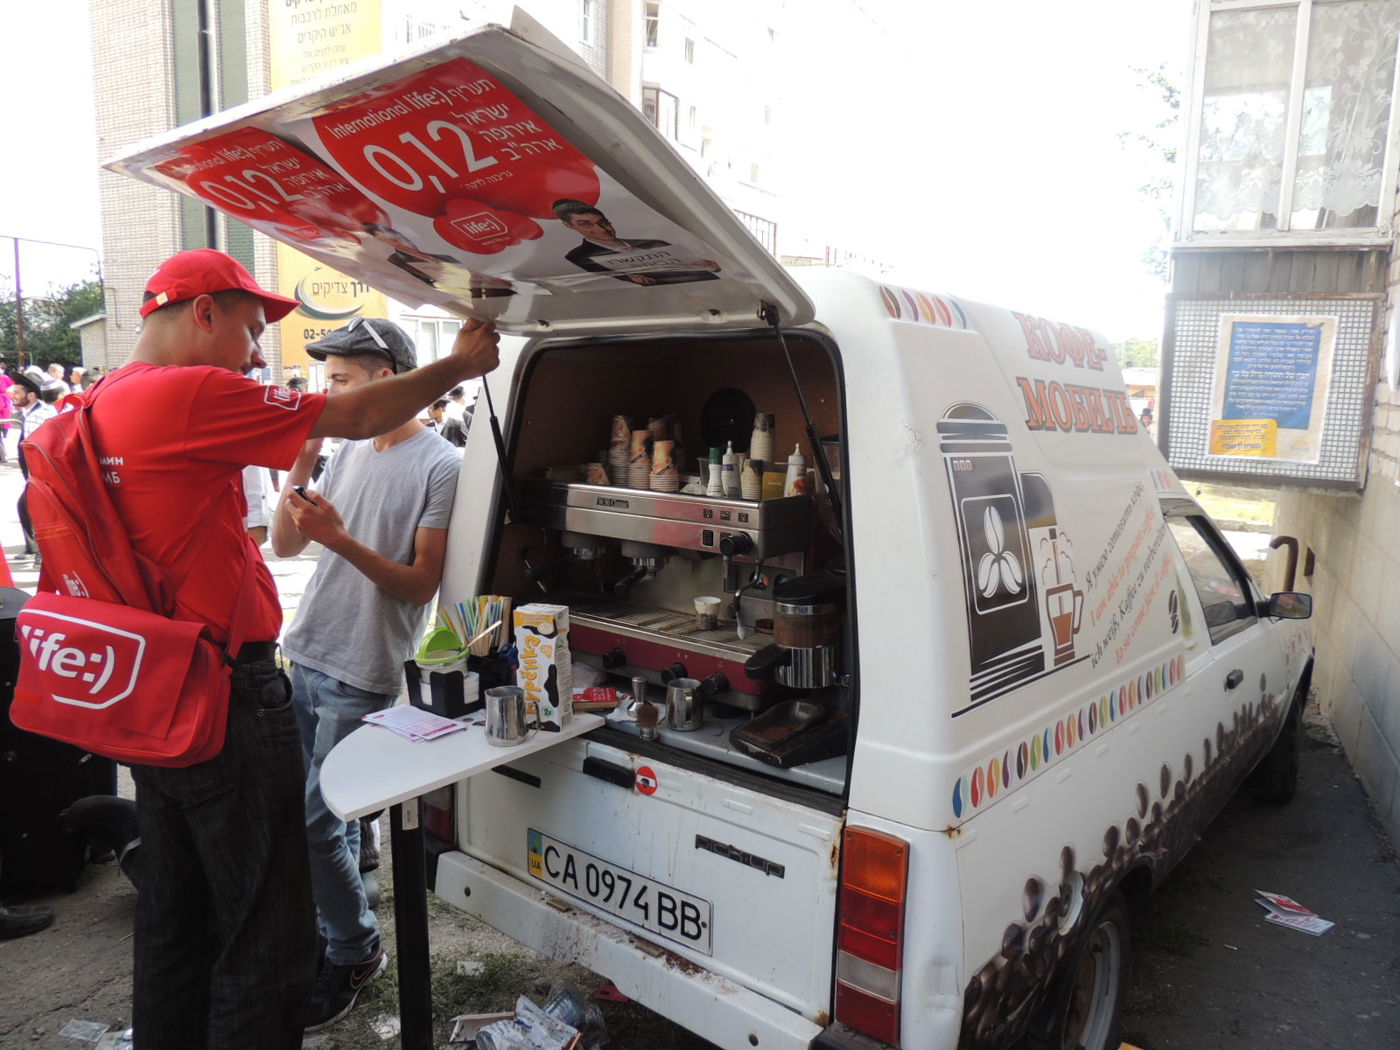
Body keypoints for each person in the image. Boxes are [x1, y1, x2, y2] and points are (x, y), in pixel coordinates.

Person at [71, 248, 498, 1050]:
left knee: (180, 908)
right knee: (265, 924)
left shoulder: (108, 397)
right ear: (204, 314)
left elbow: (402, 573)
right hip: (223, 686)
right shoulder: (194, 391)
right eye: (250, 327)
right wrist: (463, 361)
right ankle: (345, 953)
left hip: (161, 681)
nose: (257, 352)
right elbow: (359, 424)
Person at [269, 316, 465, 1031]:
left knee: (316, 823)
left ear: (387, 381)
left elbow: (419, 587)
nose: (331, 397)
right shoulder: (344, 451)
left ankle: (353, 948)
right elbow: (284, 547)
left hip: (365, 665)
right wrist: (300, 460)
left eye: (343, 383)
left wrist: (341, 540)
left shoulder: (441, 466)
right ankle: (339, 920)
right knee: (328, 820)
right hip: (309, 647)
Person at [552, 198, 721, 285]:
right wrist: (628, 277)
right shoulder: (578, 256)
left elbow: (691, 262)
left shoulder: (653, 243)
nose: (601, 230)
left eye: (603, 222)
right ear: (568, 225)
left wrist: (701, 263)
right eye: (586, 224)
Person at [14, 366, 63, 559]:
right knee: (25, 507)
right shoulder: (31, 413)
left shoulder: (39, 415)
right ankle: (36, 551)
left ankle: (43, 554)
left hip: (41, 476)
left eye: (18, 392)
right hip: (35, 476)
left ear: (32, 395)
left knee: (36, 511)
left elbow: (38, 451)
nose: (14, 395)